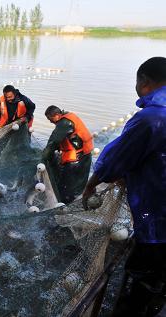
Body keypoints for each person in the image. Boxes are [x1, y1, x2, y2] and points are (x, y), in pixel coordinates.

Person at [82, 56, 166, 316]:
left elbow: (112, 162)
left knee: (138, 283)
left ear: (144, 82)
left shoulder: (150, 119)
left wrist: (91, 185)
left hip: (158, 226)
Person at [42, 106, 93, 204]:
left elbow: (53, 142)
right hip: (85, 155)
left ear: (57, 115)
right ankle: (78, 198)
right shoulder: (68, 116)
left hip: (76, 158)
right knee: (79, 182)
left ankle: (64, 203)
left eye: (50, 119)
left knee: (67, 185)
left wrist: (43, 158)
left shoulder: (65, 123)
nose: (50, 122)